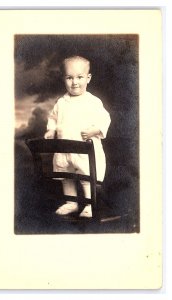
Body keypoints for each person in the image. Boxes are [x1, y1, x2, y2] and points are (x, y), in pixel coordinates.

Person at [44, 55, 111, 217]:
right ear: (63, 79)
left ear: (88, 78)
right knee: (65, 175)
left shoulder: (93, 102)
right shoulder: (61, 102)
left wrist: (95, 130)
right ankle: (71, 203)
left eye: (79, 77)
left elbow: (105, 118)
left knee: (86, 176)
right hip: (64, 149)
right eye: (69, 77)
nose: (74, 82)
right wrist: (51, 130)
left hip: (84, 150)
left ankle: (89, 204)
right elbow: (53, 118)